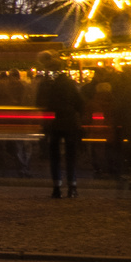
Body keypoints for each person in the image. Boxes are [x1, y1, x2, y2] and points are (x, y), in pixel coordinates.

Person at [37, 52, 86, 198]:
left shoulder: (45, 84)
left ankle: (57, 187)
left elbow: (39, 103)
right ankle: (72, 186)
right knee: (71, 156)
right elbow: (80, 102)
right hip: (70, 122)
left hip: (53, 123)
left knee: (54, 156)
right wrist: (78, 116)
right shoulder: (69, 83)